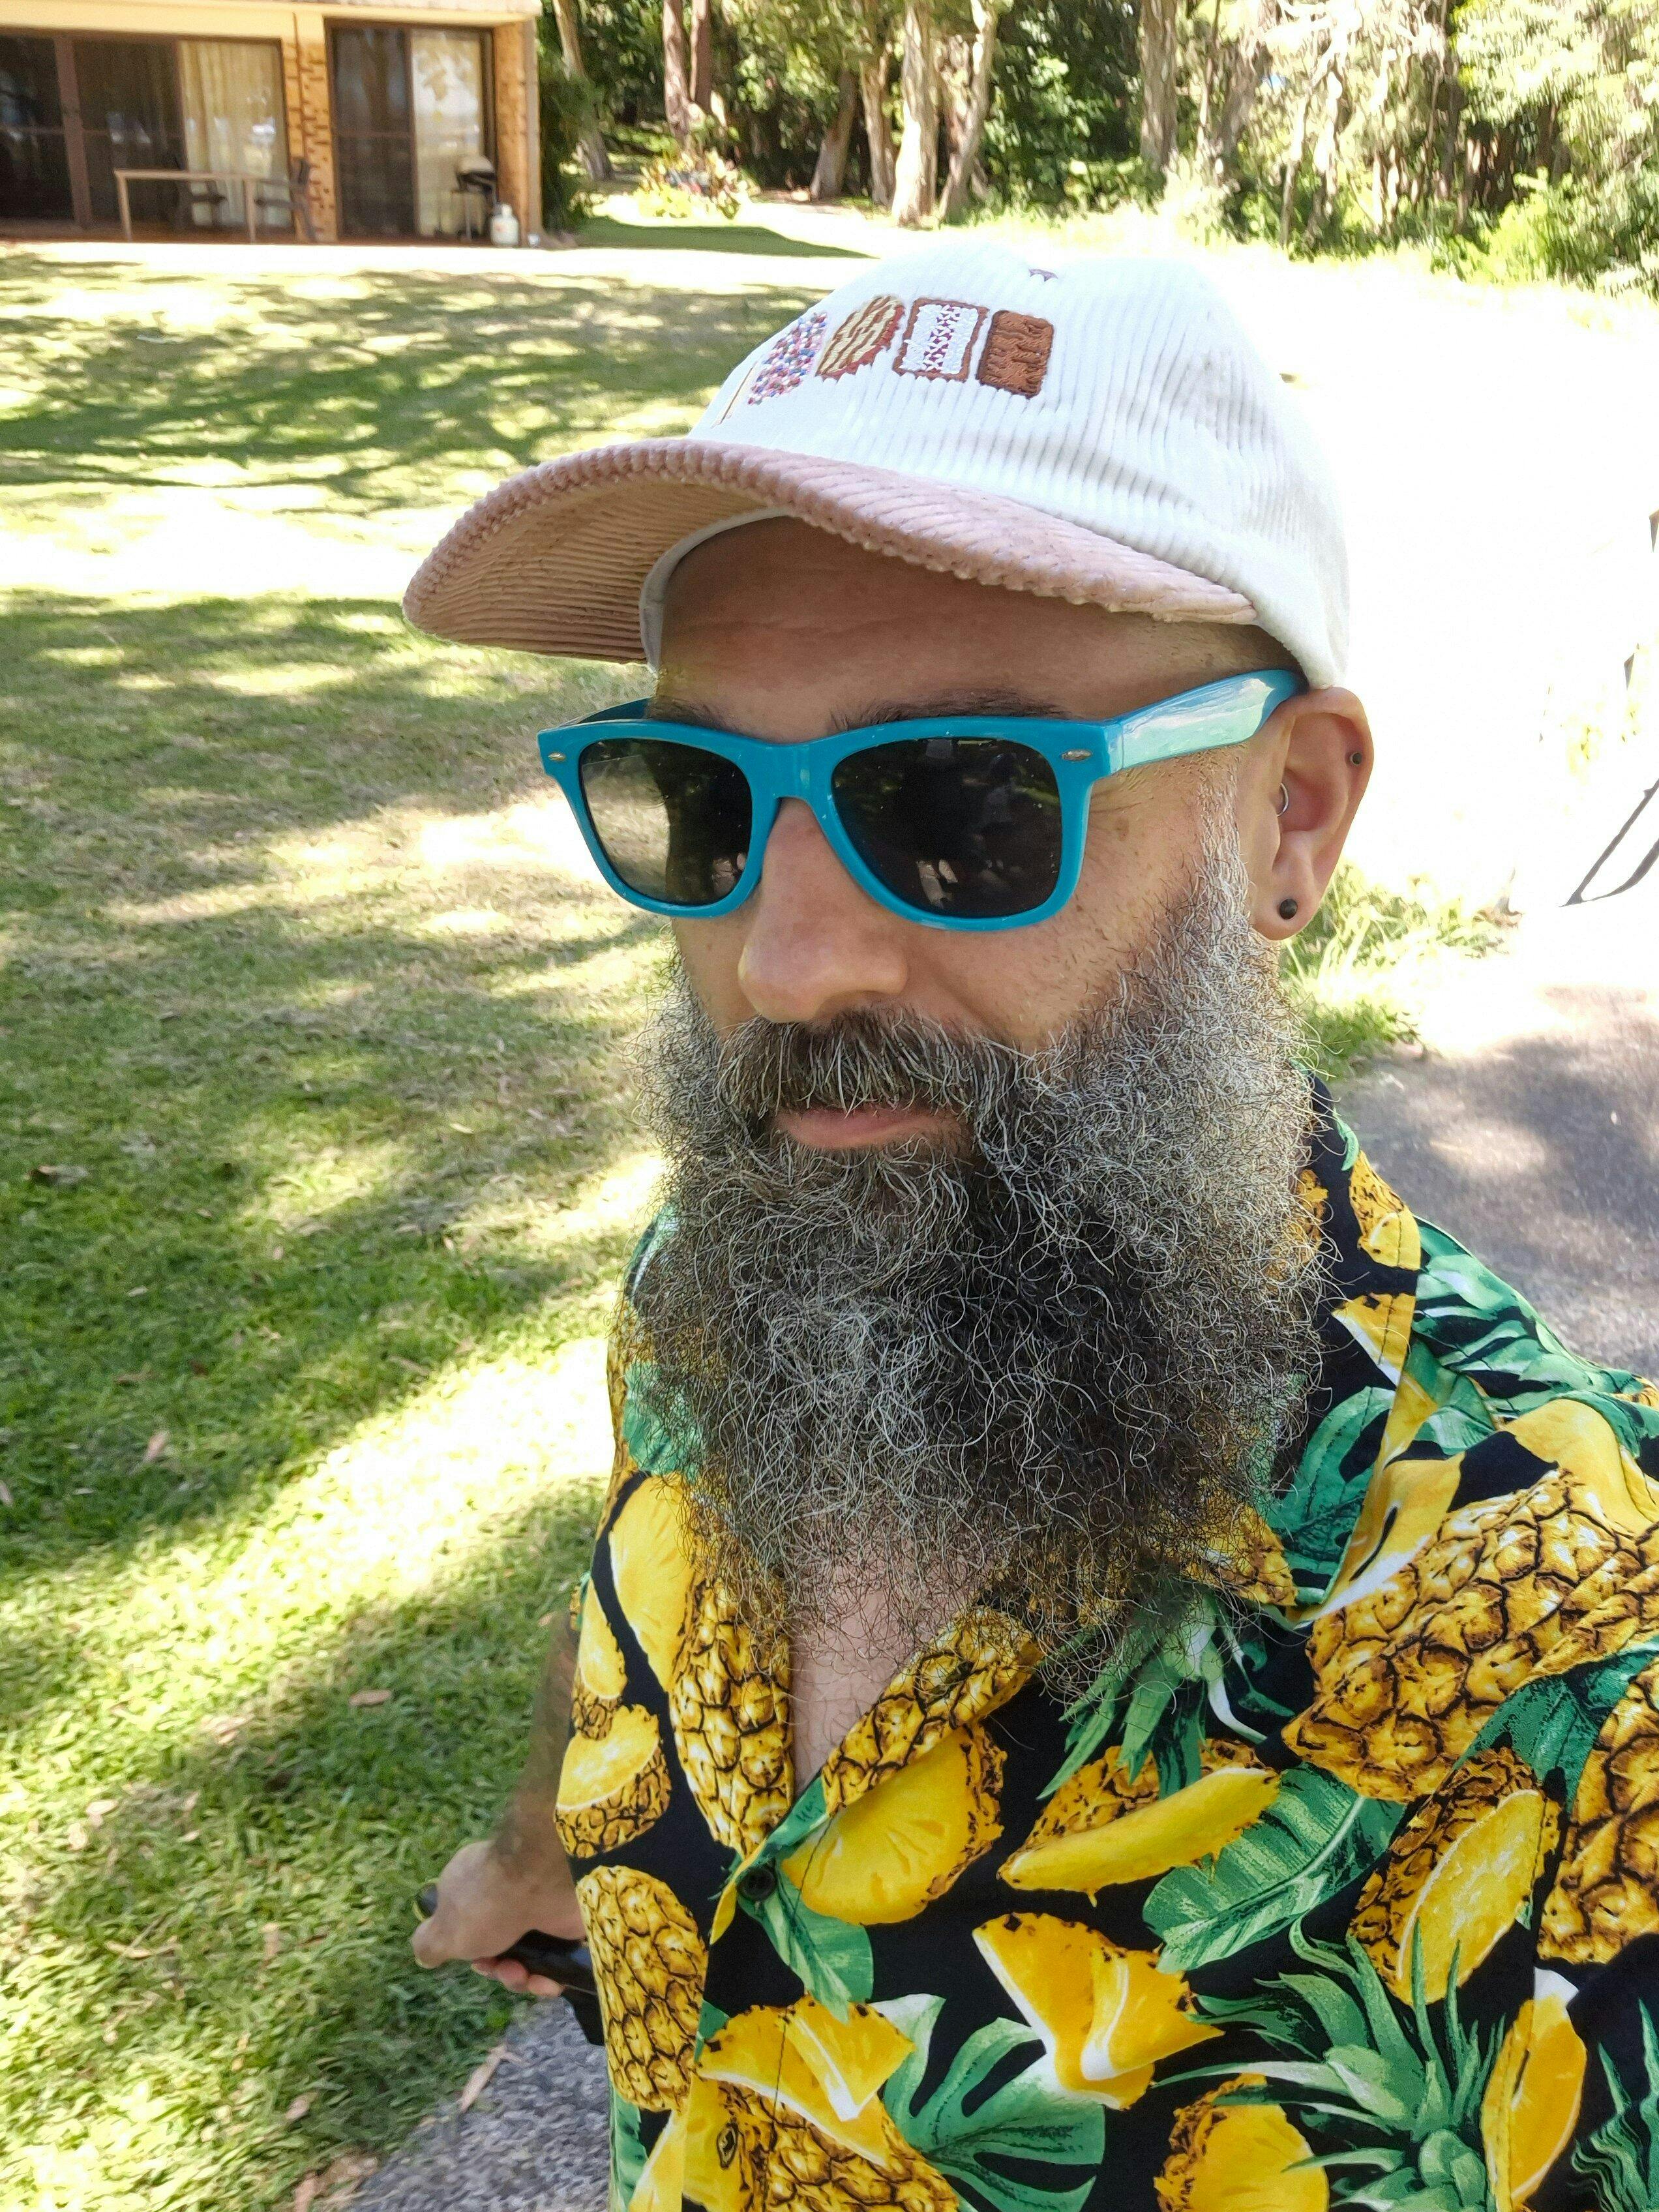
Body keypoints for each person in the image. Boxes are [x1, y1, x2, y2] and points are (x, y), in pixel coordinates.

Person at [406, 243, 1659, 2212]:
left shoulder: (1583, 1678)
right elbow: (643, 1596)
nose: (788, 963)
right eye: (701, 797)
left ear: (1293, 814)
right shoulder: (733, 1261)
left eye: (961, 806)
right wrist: (537, 1849)